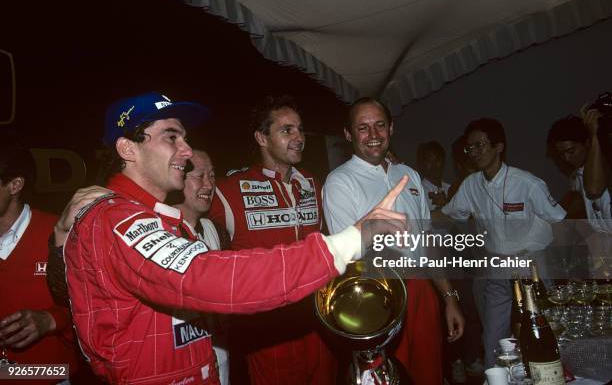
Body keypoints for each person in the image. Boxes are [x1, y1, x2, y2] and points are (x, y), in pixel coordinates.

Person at [61, 91, 408, 384]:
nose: (186, 150)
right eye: (172, 137)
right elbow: (206, 276)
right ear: (127, 148)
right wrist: (349, 241)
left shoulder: (157, 216)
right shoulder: (116, 216)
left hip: (302, 327)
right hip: (264, 333)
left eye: (185, 137)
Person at [323, 97, 465, 384]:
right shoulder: (340, 182)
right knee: (387, 377)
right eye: (363, 128)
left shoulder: (409, 174)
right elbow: (350, 259)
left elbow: (427, 245)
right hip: (377, 298)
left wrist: (449, 298)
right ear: (349, 134)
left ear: (391, 128)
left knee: (430, 374)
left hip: (422, 290)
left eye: (379, 125)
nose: (373, 135)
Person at [208, 96, 336, 385]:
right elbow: (182, 207)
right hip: (268, 329)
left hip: (318, 319)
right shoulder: (231, 188)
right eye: (287, 130)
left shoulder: (312, 183)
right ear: (261, 138)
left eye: (300, 130)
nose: (299, 138)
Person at [442, 118, 567, 368]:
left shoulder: (527, 183)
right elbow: (447, 214)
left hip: (531, 264)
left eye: (480, 145)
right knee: (493, 336)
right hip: (497, 264)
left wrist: (561, 267)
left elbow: (560, 220)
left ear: (499, 146)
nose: (474, 153)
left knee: (545, 328)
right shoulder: (471, 185)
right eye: (470, 148)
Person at [0, 135, 79, 383]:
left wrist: (50, 320)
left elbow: (93, 307)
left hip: (49, 375)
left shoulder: (59, 234)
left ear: (15, 185)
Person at [169, 148, 230, 385]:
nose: (209, 184)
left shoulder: (216, 231)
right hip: (181, 370)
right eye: (200, 176)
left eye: (213, 176)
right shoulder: (159, 233)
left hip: (220, 361)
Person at [547, 108, 611, 275]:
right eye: (561, 154)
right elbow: (581, 221)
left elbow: (595, 189)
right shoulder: (578, 176)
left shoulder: (605, 165)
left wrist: (594, 134)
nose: (566, 158)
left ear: (587, 143)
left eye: (571, 151)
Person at [417, 141, 451, 212]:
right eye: (429, 161)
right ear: (422, 164)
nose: (434, 165)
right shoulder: (419, 191)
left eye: (437, 160)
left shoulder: (450, 189)